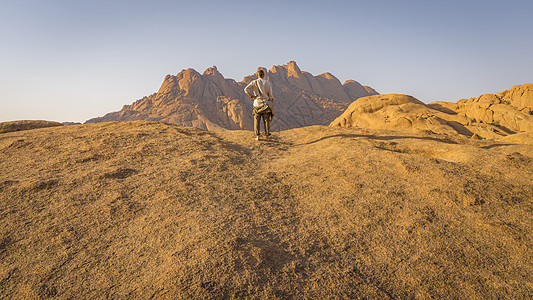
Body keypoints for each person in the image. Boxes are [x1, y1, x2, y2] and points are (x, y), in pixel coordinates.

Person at [244, 67, 275, 141]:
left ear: (257, 75)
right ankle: (267, 136)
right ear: (263, 75)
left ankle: (257, 136)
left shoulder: (254, 82)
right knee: (266, 121)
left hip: (257, 104)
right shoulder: (268, 83)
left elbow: (246, 89)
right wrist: (271, 100)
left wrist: (252, 96)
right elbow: (271, 95)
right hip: (266, 104)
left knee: (257, 120)